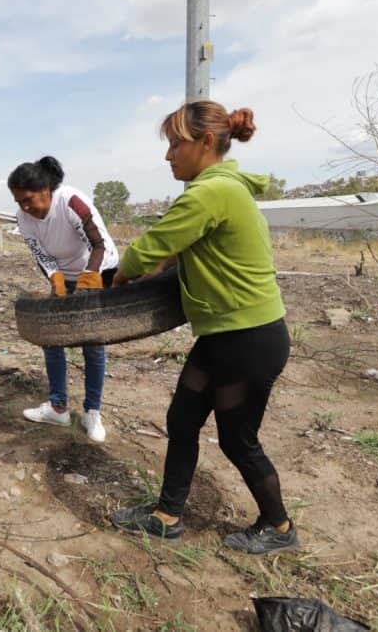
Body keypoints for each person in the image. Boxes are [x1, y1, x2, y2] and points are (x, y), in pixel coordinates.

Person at [108, 102, 297, 555]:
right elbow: (187, 245)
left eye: (176, 143)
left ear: (206, 142)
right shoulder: (222, 189)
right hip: (225, 336)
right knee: (183, 418)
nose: (169, 155)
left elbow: (151, 247)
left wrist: (118, 276)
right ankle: (166, 517)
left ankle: (280, 526)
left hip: (248, 339)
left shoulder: (210, 192)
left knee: (237, 438)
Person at [8, 156, 119, 443]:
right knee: (52, 337)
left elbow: (100, 243)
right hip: (65, 275)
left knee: (92, 341)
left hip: (100, 268)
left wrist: (91, 275)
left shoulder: (70, 201)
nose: (25, 207)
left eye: (29, 199)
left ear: (46, 189)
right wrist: (56, 279)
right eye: (19, 202)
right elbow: (40, 254)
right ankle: (57, 407)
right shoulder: (24, 218)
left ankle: (92, 411)